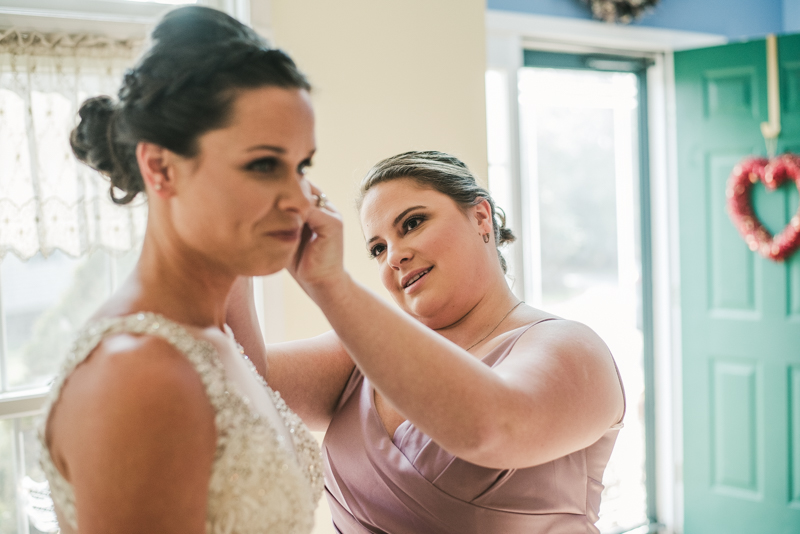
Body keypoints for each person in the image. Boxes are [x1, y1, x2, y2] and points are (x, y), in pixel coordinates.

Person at [38, 6, 327, 533]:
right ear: (160, 168)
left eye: (301, 166)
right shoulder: (139, 374)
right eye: (264, 165)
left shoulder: (210, 331)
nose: (300, 200)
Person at [231, 151, 626, 533]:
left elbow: (491, 427)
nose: (394, 256)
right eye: (378, 248)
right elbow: (242, 379)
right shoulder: (364, 350)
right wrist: (230, 242)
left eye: (412, 223)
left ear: (480, 217)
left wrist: (328, 283)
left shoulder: (571, 346)